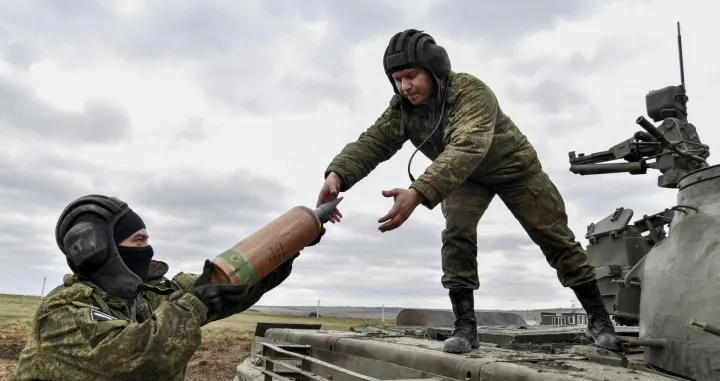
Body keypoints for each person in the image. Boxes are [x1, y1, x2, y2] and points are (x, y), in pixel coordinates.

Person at [316, 29, 622, 354]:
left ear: (433, 70)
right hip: (465, 178)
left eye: (411, 76)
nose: (404, 86)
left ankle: (599, 319)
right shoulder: (403, 110)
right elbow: (373, 142)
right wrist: (338, 173)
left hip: (515, 170)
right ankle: (465, 327)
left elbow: (468, 145)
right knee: (457, 236)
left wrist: (419, 191)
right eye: (396, 78)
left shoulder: (470, 92)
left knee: (554, 237)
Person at [13, 194, 325, 381]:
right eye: (139, 240)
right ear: (99, 250)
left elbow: (229, 284)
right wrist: (196, 303)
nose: (148, 248)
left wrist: (293, 240)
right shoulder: (63, 311)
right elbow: (142, 358)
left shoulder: (149, 294)